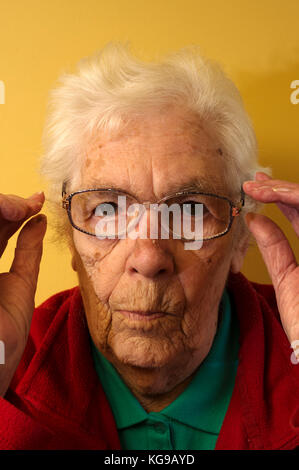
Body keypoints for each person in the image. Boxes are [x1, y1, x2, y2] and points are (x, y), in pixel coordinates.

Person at [0, 43, 298, 450]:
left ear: (240, 238)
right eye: (107, 209)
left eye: (190, 210)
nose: (149, 256)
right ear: (70, 236)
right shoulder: (11, 360)